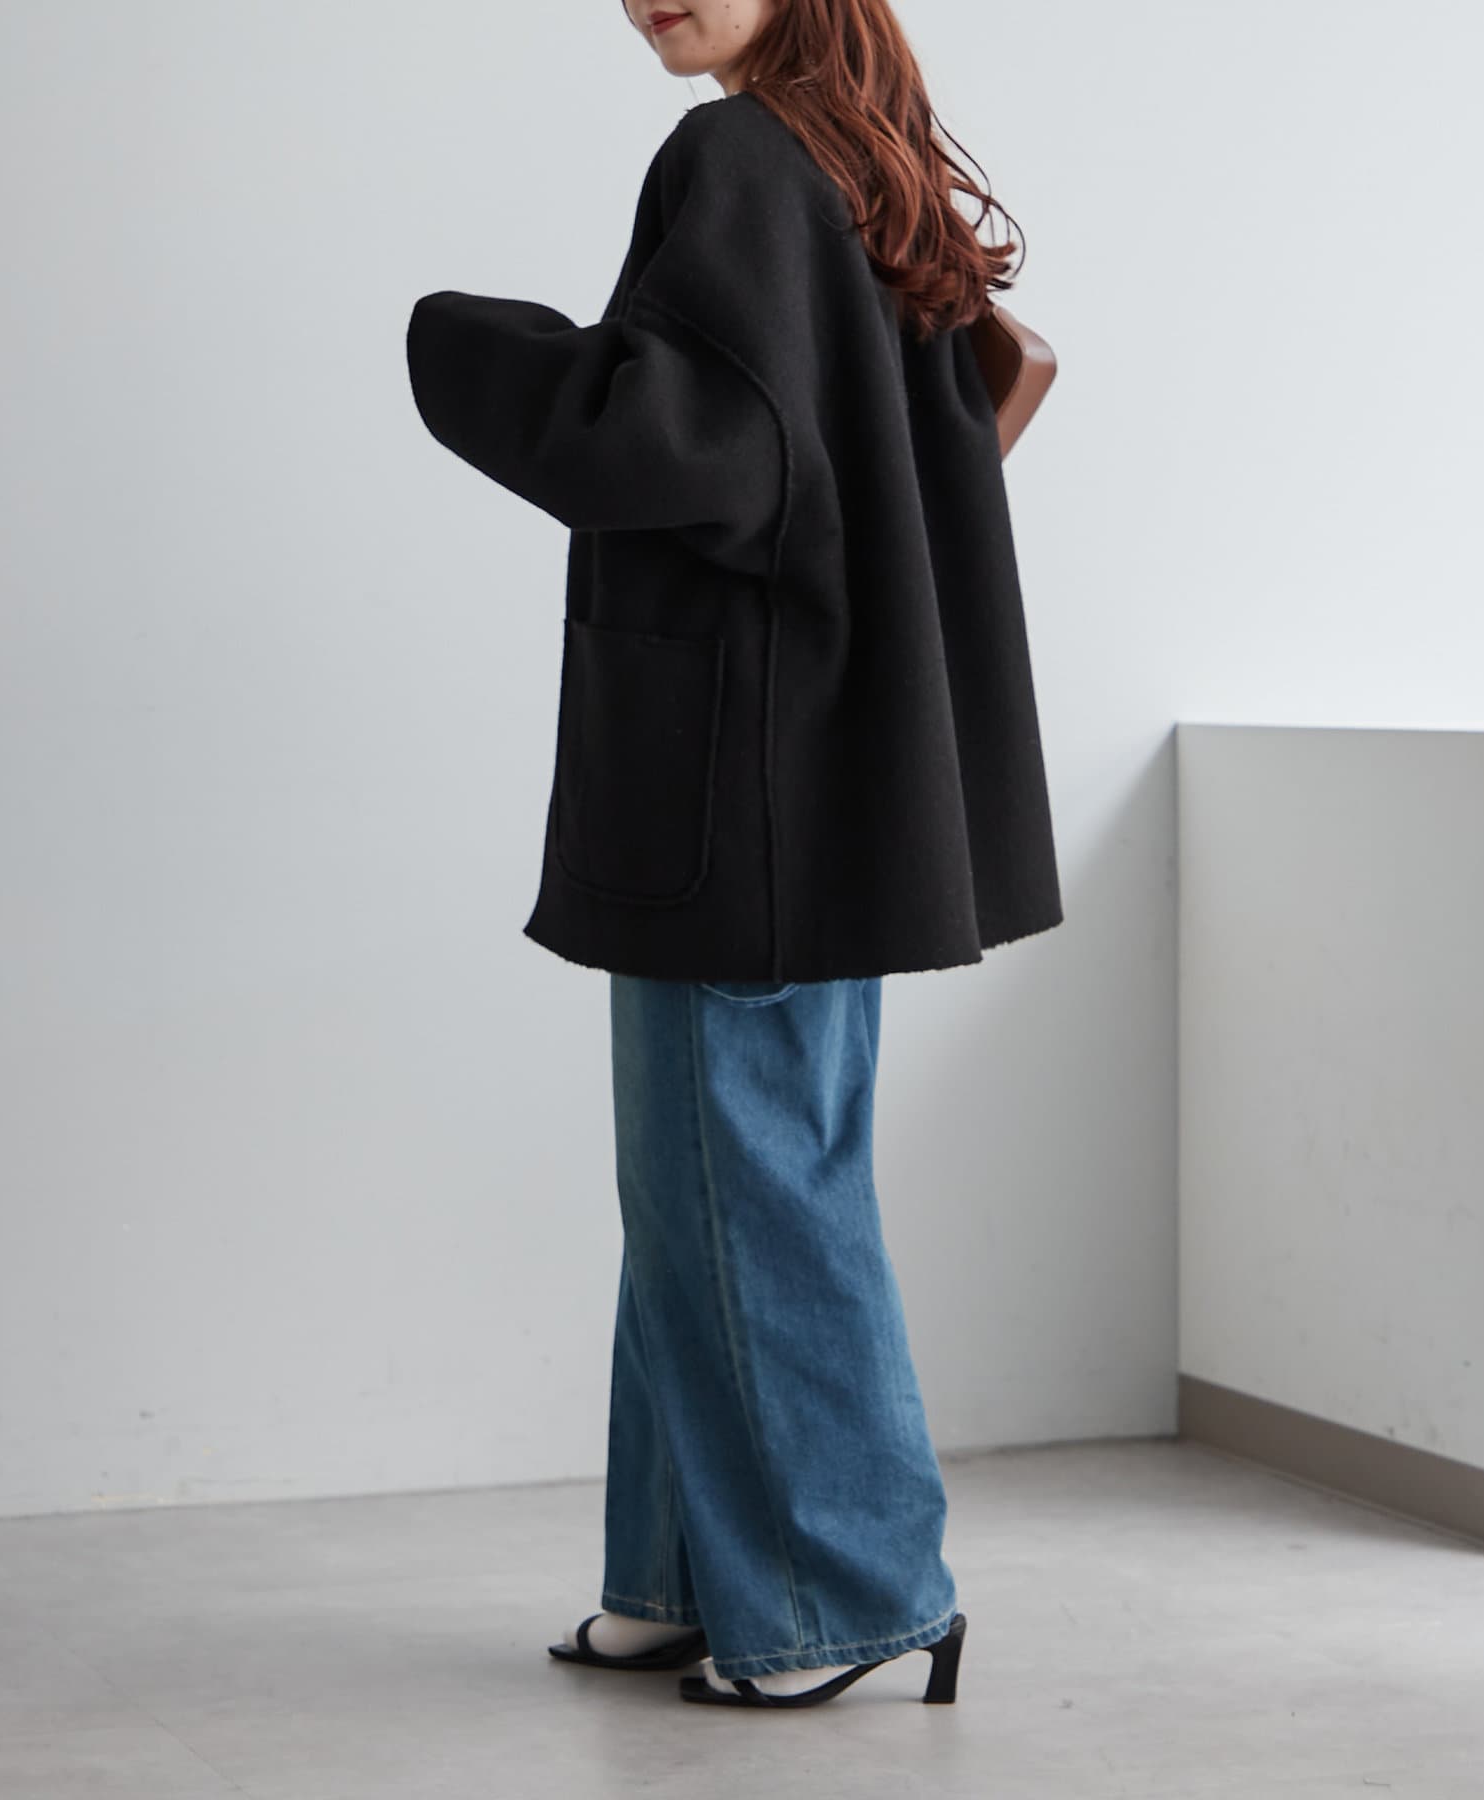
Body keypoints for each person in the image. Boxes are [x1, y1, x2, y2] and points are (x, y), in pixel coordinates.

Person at [405, 0, 1064, 1711]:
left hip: (742, 781)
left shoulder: (741, 157)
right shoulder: (861, 162)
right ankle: (685, 1574)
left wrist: (461, 345)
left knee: (742, 1181)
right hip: (821, 767)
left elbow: (680, 444)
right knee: (710, 1181)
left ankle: (843, 1592)